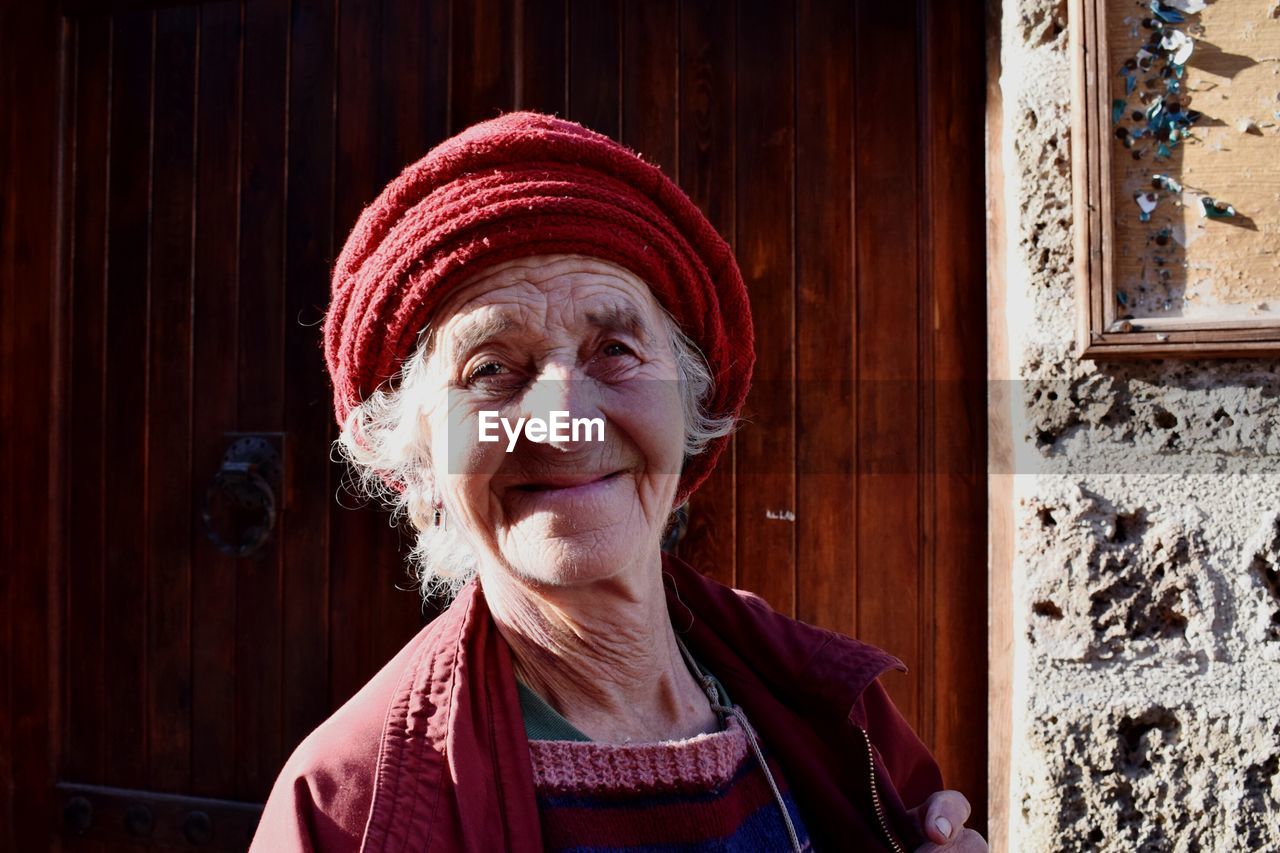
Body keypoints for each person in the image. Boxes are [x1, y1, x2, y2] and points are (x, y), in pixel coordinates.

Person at [252, 112, 987, 852]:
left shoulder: (840, 710)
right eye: (491, 368)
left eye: (614, 349)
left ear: (691, 407)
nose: (563, 417)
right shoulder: (349, 809)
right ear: (420, 464)